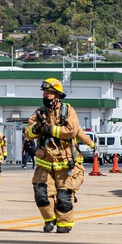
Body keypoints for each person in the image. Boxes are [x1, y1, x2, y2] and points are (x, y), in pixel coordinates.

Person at [25, 78, 83, 233]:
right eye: (44, 93)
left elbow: (72, 130)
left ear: (57, 95)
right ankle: (49, 219)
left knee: (64, 196)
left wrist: (50, 130)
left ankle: (64, 224)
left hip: (64, 161)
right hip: (45, 162)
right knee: (41, 194)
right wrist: (36, 129)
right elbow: (28, 133)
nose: (45, 96)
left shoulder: (68, 111)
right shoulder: (39, 113)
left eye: (49, 93)